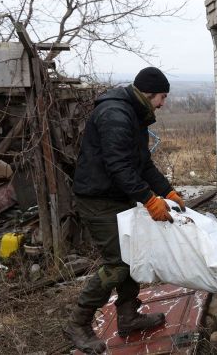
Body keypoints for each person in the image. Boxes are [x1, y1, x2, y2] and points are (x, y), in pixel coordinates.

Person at [63, 66, 186, 353]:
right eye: (162, 97)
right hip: (97, 199)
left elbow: (143, 165)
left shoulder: (134, 114)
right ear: (148, 93)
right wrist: (149, 199)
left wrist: (166, 191)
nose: (163, 104)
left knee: (132, 256)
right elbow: (118, 166)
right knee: (118, 264)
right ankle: (78, 323)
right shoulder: (115, 115)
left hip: (115, 197)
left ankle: (128, 316)